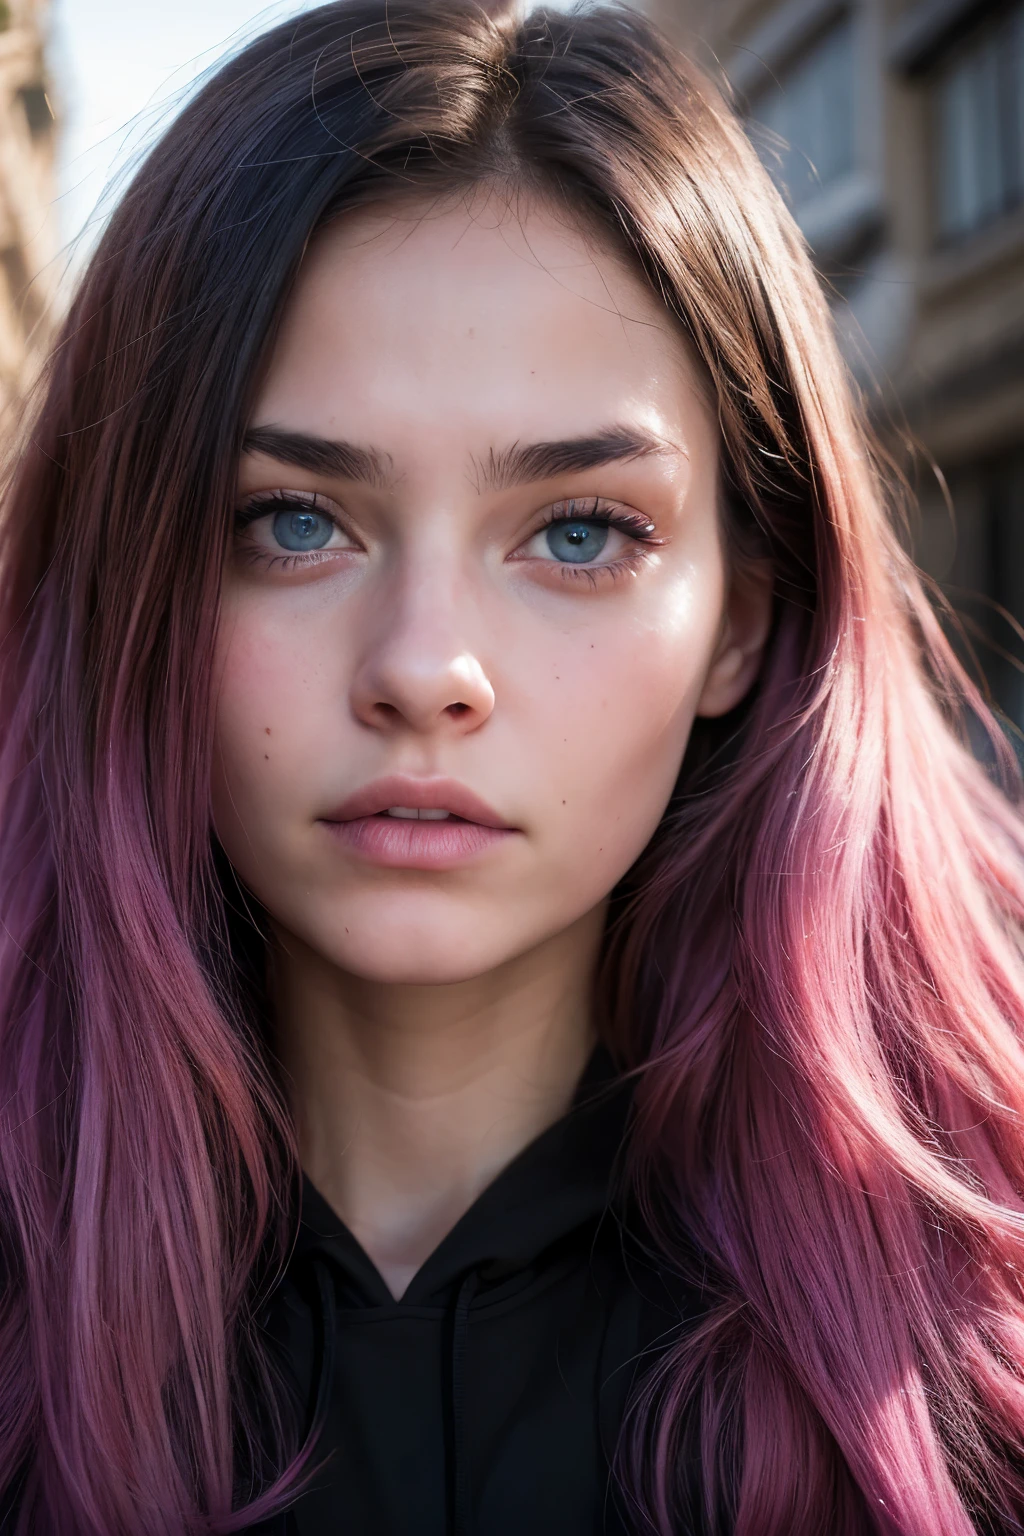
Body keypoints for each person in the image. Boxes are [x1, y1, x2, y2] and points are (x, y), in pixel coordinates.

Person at [2, 1, 1024, 1531]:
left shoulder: (979, 1343)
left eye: (579, 534)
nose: (425, 668)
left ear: (742, 621)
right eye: (294, 519)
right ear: (134, 571)